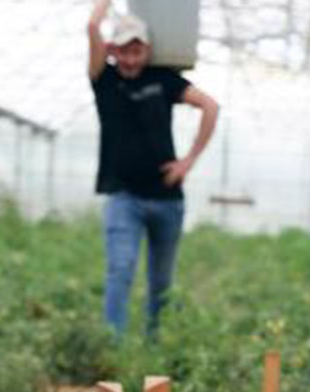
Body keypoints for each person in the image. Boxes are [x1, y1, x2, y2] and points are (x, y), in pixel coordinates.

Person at [87, 1, 219, 337]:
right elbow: (92, 28)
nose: (131, 59)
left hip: (167, 200)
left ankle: (154, 344)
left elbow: (210, 106)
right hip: (124, 197)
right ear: (113, 50)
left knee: (161, 282)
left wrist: (188, 161)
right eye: (124, 51)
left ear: (147, 50)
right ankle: (113, 347)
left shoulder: (163, 79)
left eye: (138, 51)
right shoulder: (104, 79)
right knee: (120, 269)